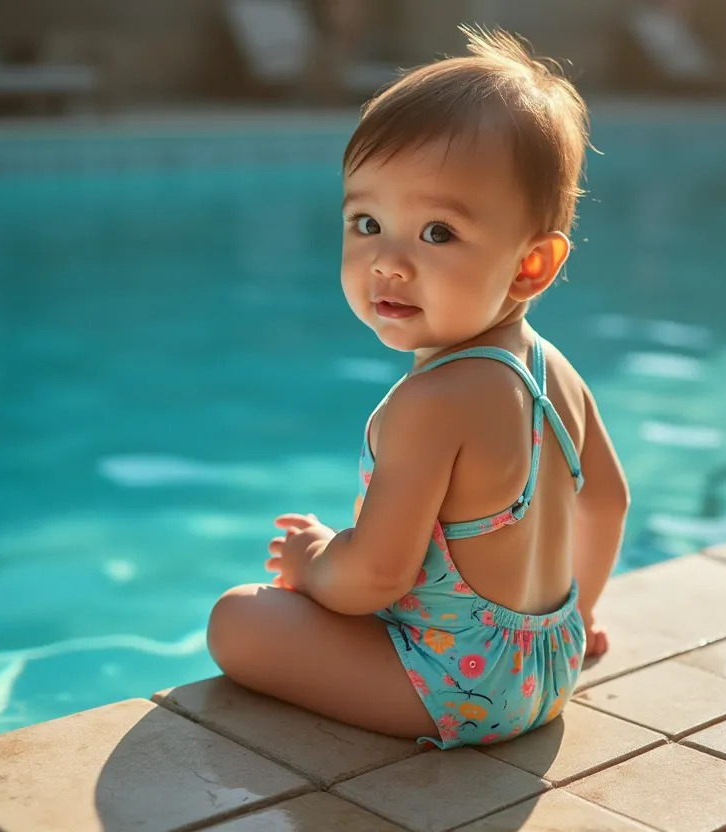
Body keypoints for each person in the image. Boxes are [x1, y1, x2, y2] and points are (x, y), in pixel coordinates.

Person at [207, 26, 629, 749]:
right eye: (367, 223)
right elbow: (608, 503)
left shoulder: (433, 404)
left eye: (437, 233)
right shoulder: (554, 370)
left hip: (459, 691)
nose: (388, 263)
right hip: (550, 666)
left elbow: (374, 575)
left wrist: (313, 562)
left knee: (237, 620)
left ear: (530, 266)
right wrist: (579, 615)